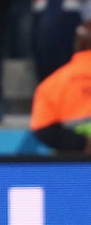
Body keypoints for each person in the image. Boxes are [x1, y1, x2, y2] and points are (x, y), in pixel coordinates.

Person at [30, 22, 91, 154]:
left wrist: (82, 143)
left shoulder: (51, 84)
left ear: (76, 46)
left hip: (70, 164)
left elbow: (43, 128)